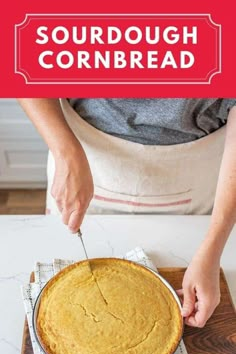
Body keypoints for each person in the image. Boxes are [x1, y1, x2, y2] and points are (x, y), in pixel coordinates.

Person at [18, 98, 236, 329]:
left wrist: (214, 248)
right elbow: (23, 66)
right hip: (78, 155)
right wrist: (65, 152)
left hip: (199, 177)